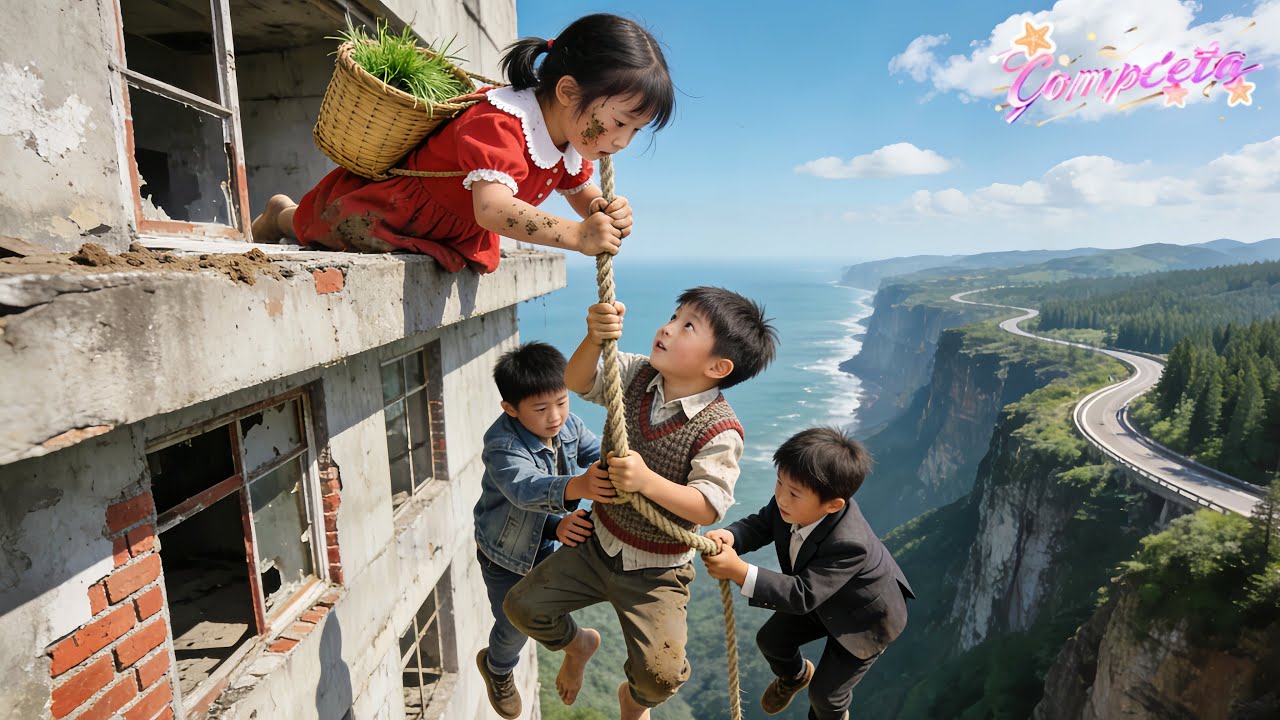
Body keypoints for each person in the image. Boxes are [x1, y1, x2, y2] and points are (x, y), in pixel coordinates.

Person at [503, 287, 779, 720]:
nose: (667, 328)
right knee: (522, 607)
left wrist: (647, 481)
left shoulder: (721, 430)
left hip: (658, 569)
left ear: (717, 367)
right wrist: (594, 337)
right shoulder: (636, 374)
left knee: (661, 678)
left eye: (688, 326)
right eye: (674, 316)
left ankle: (633, 700)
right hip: (599, 543)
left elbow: (707, 507)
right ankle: (578, 645)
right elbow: (578, 380)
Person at [250, 13, 674, 273]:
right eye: (620, 122)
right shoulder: (501, 123)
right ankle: (280, 214)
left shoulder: (569, 141)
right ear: (567, 91)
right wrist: (578, 235)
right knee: (317, 228)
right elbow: (492, 208)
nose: (622, 141)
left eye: (636, 130)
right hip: (398, 210)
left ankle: (287, 215)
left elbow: (578, 190)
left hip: (452, 228)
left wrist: (602, 209)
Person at [702, 427, 915, 720]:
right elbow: (761, 525)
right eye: (779, 482)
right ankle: (795, 676)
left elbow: (801, 595)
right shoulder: (790, 505)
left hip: (863, 618)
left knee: (826, 696)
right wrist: (731, 536)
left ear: (833, 505)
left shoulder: (850, 544)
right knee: (771, 641)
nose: (781, 497)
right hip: (819, 594)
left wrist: (738, 571)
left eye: (793, 493)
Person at [473, 341, 617, 718]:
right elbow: (524, 490)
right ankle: (498, 668)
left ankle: (577, 645)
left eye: (562, 402)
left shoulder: (568, 424)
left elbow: (597, 453)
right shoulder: (501, 444)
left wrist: (628, 467)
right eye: (540, 409)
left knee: (583, 589)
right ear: (510, 408)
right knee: (513, 624)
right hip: (504, 553)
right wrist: (579, 488)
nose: (555, 417)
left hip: (545, 538)